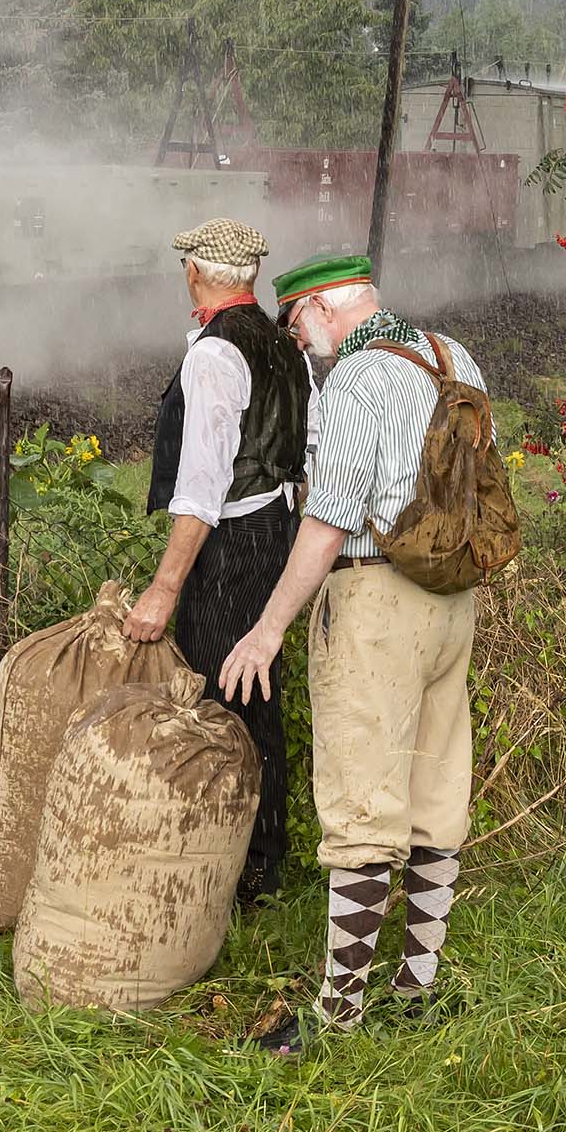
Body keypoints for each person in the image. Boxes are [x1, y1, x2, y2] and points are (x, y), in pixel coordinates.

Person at [217, 253, 488, 1054]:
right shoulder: (451, 356)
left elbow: (328, 521)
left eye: (298, 323)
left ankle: (338, 1015)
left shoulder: (355, 383)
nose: (299, 340)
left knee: (362, 805)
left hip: (375, 601)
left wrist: (268, 629)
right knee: (437, 788)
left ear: (328, 309)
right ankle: (416, 989)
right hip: (452, 600)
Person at [119, 216, 309, 905]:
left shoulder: (213, 354)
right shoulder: (285, 344)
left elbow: (202, 489)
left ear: (195, 272)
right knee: (257, 696)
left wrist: (164, 589)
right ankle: (264, 864)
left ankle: (230, 873)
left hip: (230, 548)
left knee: (220, 707)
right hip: (276, 534)